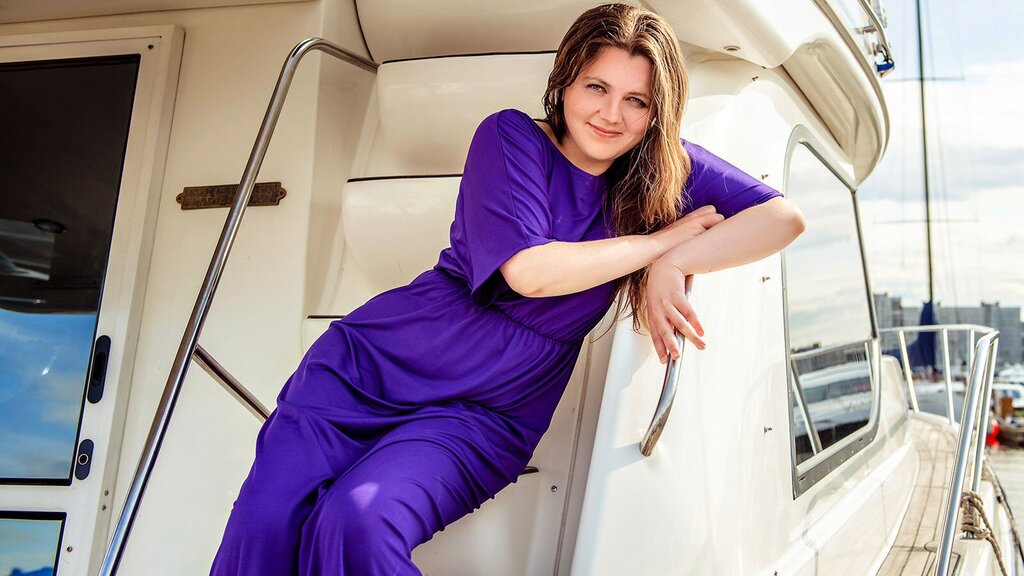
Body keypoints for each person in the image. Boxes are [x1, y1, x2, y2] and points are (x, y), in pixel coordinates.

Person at [210, 3, 805, 575]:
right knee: (265, 526)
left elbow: (782, 218)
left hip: (488, 411)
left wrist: (677, 262)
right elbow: (530, 272)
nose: (611, 114)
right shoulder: (511, 138)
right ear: (565, 82)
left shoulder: (668, 171)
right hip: (373, 369)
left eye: (636, 100)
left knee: (358, 521)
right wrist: (658, 246)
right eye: (596, 87)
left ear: (657, 111)